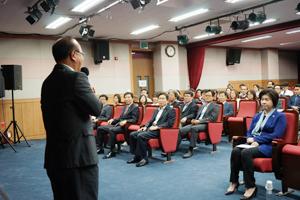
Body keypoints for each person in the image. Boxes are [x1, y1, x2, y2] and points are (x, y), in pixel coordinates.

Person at [41, 37, 102, 200]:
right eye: (82, 53)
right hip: (78, 159)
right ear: (74, 55)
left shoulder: (47, 82)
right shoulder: (77, 78)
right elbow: (97, 109)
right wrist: (90, 92)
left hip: (56, 158)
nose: (83, 58)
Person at [225, 89, 286, 200]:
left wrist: (258, 140)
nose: (263, 102)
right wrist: (249, 137)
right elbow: (250, 130)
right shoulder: (258, 115)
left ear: (274, 101)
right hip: (252, 142)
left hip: (268, 146)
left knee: (246, 152)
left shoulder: (279, 116)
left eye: (267, 100)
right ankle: (234, 181)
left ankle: (250, 186)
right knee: (235, 150)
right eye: (262, 99)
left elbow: (277, 134)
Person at [127, 92, 175, 167]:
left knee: (141, 136)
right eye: (160, 99)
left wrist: (157, 127)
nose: (161, 100)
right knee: (132, 134)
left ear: (167, 100)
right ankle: (137, 156)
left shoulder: (171, 110)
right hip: (151, 129)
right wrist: (145, 127)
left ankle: (144, 158)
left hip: (161, 131)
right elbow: (150, 120)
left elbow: (169, 123)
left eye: (163, 99)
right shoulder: (157, 109)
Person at [178, 90, 219, 158]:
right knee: (181, 130)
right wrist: (194, 120)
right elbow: (197, 116)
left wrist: (199, 121)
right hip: (197, 123)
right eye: (206, 95)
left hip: (207, 124)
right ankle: (173, 149)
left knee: (194, 128)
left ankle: (190, 149)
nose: (207, 97)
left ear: (213, 97)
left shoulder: (216, 106)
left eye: (209, 96)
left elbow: (212, 118)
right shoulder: (202, 106)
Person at [96, 92, 139, 158]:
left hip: (125, 126)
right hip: (118, 124)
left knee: (111, 130)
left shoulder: (135, 107)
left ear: (132, 98)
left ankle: (111, 150)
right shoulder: (125, 107)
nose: (127, 99)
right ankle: (99, 148)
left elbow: (134, 119)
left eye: (129, 97)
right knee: (100, 128)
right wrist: (113, 120)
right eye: (126, 97)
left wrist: (126, 121)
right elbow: (120, 118)